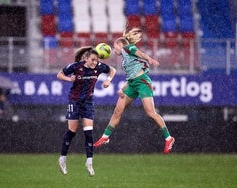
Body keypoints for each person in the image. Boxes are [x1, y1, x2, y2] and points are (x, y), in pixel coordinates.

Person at [93, 27, 175, 154]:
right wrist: (121, 89)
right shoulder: (125, 60)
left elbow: (140, 53)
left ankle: (169, 138)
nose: (114, 50)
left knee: (151, 113)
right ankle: (105, 137)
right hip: (132, 84)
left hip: (142, 82)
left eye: (115, 47)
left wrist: (150, 59)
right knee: (117, 111)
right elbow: (131, 77)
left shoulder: (128, 48)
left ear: (120, 45)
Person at [57, 46, 116, 176]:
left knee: (88, 132)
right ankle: (62, 159)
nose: (95, 63)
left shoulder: (99, 67)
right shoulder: (76, 66)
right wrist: (69, 79)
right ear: (86, 58)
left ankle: (89, 162)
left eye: (96, 60)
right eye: (93, 60)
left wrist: (108, 80)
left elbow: (112, 70)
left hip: (88, 102)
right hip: (74, 101)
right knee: (72, 131)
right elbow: (59, 74)